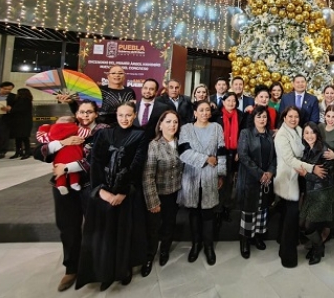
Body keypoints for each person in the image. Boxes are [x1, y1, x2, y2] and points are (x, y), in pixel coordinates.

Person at [36, 100, 108, 292]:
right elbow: (39, 151)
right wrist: (62, 143)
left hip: (90, 186)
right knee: (68, 227)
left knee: (95, 227)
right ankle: (71, 268)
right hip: (63, 187)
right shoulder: (65, 128)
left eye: (89, 112)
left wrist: (66, 167)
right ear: (76, 114)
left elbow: (97, 160)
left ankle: (95, 269)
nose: (85, 116)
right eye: (81, 112)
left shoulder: (102, 131)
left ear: (96, 114)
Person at [76, 102, 148, 291]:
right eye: (121, 115)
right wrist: (101, 191)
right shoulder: (103, 134)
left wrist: (122, 193)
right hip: (103, 191)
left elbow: (136, 165)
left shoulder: (140, 135)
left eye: (128, 115)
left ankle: (123, 270)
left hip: (127, 193)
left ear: (134, 116)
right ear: (116, 115)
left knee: (125, 234)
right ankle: (104, 273)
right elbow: (96, 162)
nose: (125, 119)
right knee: (105, 235)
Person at [177, 100, 226, 266]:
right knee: (194, 213)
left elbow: (221, 151)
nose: (204, 113)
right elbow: (184, 152)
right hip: (191, 176)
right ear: (195, 113)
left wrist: (221, 174)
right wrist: (206, 158)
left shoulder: (217, 128)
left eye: (207, 110)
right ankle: (195, 245)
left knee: (208, 213)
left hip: (210, 176)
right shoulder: (186, 129)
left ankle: (208, 246)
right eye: (201, 110)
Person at [274, 106, 321, 268]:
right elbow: (289, 159)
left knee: (290, 215)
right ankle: (288, 258)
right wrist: (312, 168)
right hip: (287, 178)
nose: (293, 119)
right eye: (290, 116)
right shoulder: (281, 135)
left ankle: (284, 248)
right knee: (291, 217)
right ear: (284, 117)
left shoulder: (299, 129)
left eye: (296, 116)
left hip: (298, 177)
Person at [141, 110, 183, 277]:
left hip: (174, 194)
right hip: (158, 194)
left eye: (175, 122)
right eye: (168, 122)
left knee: (169, 225)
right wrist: (153, 202)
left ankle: (164, 251)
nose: (172, 125)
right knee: (153, 229)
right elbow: (148, 176)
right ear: (160, 124)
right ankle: (149, 256)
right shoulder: (154, 145)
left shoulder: (181, 143)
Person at [236, 105, 277, 259]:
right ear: (253, 118)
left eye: (265, 117)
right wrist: (260, 174)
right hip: (250, 178)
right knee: (249, 209)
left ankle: (258, 236)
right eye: (259, 116)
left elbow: (275, 157)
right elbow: (243, 156)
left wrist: (270, 172)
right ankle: (245, 240)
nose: (262, 119)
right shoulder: (246, 133)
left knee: (263, 208)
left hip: (267, 178)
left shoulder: (270, 135)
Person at [297, 122, 334, 265]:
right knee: (302, 224)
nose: (309, 136)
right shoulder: (306, 149)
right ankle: (317, 246)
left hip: (323, 193)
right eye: (306, 133)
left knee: (308, 226)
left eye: (312, 132)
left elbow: (324, 175)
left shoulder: (324, 150)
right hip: (310, 192)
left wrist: (305, 174)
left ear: (317, 134)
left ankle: (318, 248)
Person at [214, 92, 246, 223]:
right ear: (223, 101)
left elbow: (243, 136)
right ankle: (217, 209)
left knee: (229, 181)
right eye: (228, 100)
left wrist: (240, 151)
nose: (231, 103)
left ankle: (226, 207)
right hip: (220, 152)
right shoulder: (216, 115)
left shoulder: (240, 116)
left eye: (234, 101)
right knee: (219, 180)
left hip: (233, 153)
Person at [7, 87, 33, 159]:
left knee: (24, 138)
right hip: (19, 122)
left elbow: (20, 110)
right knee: (18, 138)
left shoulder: (26, 100)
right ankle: (19, 152)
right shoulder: (21, 100)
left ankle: (27, 152)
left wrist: (10, 109)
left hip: (24, 122)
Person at [0, 81, 16, 159]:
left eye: (9, 89)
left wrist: (10, 109)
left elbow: (17, 108)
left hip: (5, 118)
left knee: (3, 135)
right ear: (0, 88)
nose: (7, 91)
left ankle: (1, 151)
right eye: (5, 89)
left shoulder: (14, 97)